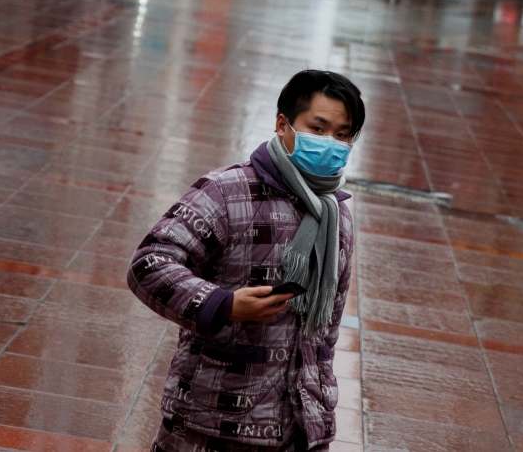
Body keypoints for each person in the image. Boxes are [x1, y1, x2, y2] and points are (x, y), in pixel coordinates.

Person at [128, 70, 363, 452]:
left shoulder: (337, 218)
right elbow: (149, 264)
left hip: (297, 429)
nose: (330, 144)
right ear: (283, 124)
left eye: (342, 135)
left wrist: (320, 414)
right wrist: (225, 304)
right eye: (318, 129)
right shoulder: (227, 191)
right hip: (211, 423)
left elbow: (326, 331)